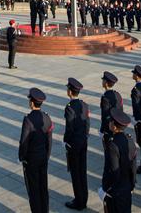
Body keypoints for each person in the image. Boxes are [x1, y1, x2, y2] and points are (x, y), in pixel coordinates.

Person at [19, 87, 53, 213]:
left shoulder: (28, 120)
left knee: (34, 190)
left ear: (31, 103)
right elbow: (49, 140)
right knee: (43, 187)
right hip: (43, 157)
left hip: (31, 160)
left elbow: (24, 142)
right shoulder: (47, 118)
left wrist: (22, 157)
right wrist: (47, 155)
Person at [100, 109, 137, 213]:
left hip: (116, 190)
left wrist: (106, 188)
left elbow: (113, 170)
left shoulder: (112, 144)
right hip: (127, 186)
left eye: (111, 121)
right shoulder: (129, 139)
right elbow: (133, 166)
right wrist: (132, 184)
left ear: (114, 127)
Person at [64, 78, 90, 211]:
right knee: (82, 171)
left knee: (76, 173)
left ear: (70, 92)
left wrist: (66, 142)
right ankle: (83, 198)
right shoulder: (84, 105)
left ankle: (79, 201)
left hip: (74, 144)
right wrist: (85, 136)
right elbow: (87, 123)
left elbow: (69, 128)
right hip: (83, 141)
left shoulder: (69, 108)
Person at [100, 71, 122, 142]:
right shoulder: (117, 94)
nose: (102, 82)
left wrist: (102, 130)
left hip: (109, 129)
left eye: (103, 80)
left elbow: (105, 115)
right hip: (118, 126)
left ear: (106, 83)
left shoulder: (105, 97)